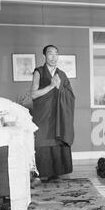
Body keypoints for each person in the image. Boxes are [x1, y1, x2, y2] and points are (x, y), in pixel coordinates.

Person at [31, 45, 75, 181]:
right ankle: (42, 173)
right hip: (43, 115)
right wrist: (51, 86)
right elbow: (33, 94)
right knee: (43, 139)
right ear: (44, 56)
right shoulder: (38, 72)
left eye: (56, 54)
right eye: (50, 54)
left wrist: (61, 90)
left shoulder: (62, 74)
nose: (54, 57)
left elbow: (70, 95)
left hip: (59, 115)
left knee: (58, 140)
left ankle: (57, 172)